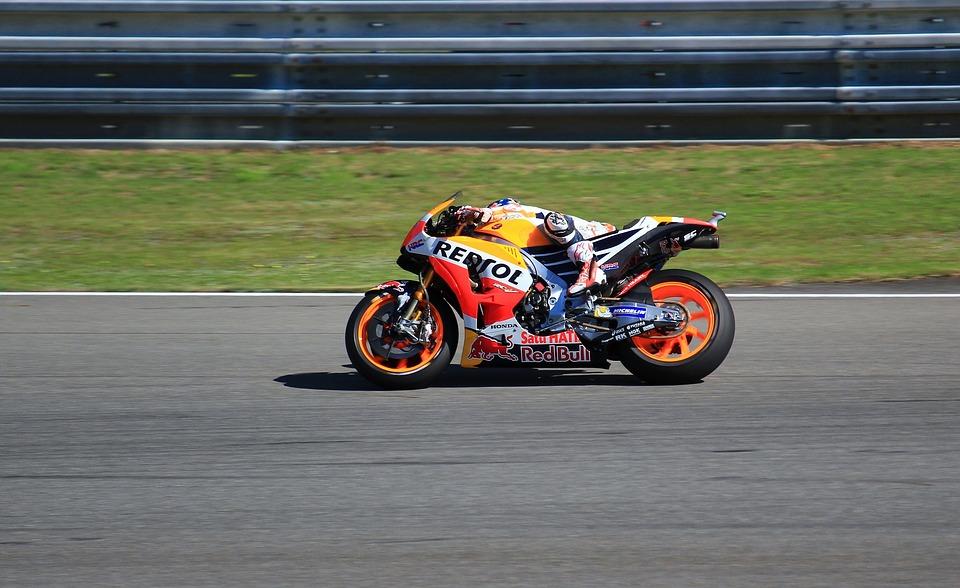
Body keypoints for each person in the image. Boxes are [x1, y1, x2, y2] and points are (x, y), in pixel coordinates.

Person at [456, 198, 616, 295]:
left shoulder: (511, 211)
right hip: (571, 246)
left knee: (554, 221)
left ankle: (589, 273)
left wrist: (479, 212)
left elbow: (497, 211)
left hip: (596, 233)